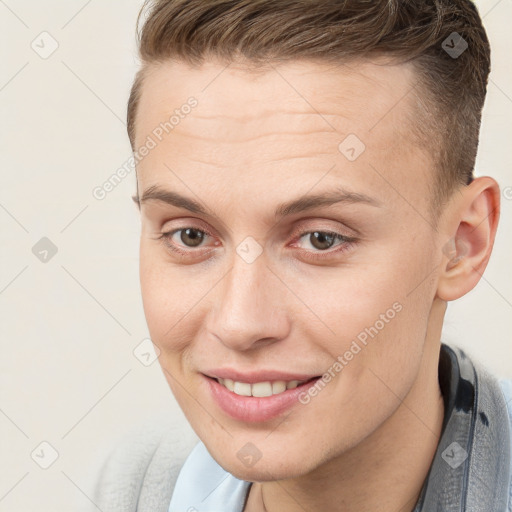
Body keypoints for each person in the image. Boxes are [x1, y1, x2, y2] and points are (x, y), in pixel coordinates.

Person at [95, 1, 512, 510]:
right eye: (190, 236)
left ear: (463, 244)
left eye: (321, 239)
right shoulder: (136, 487)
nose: (240, 323)